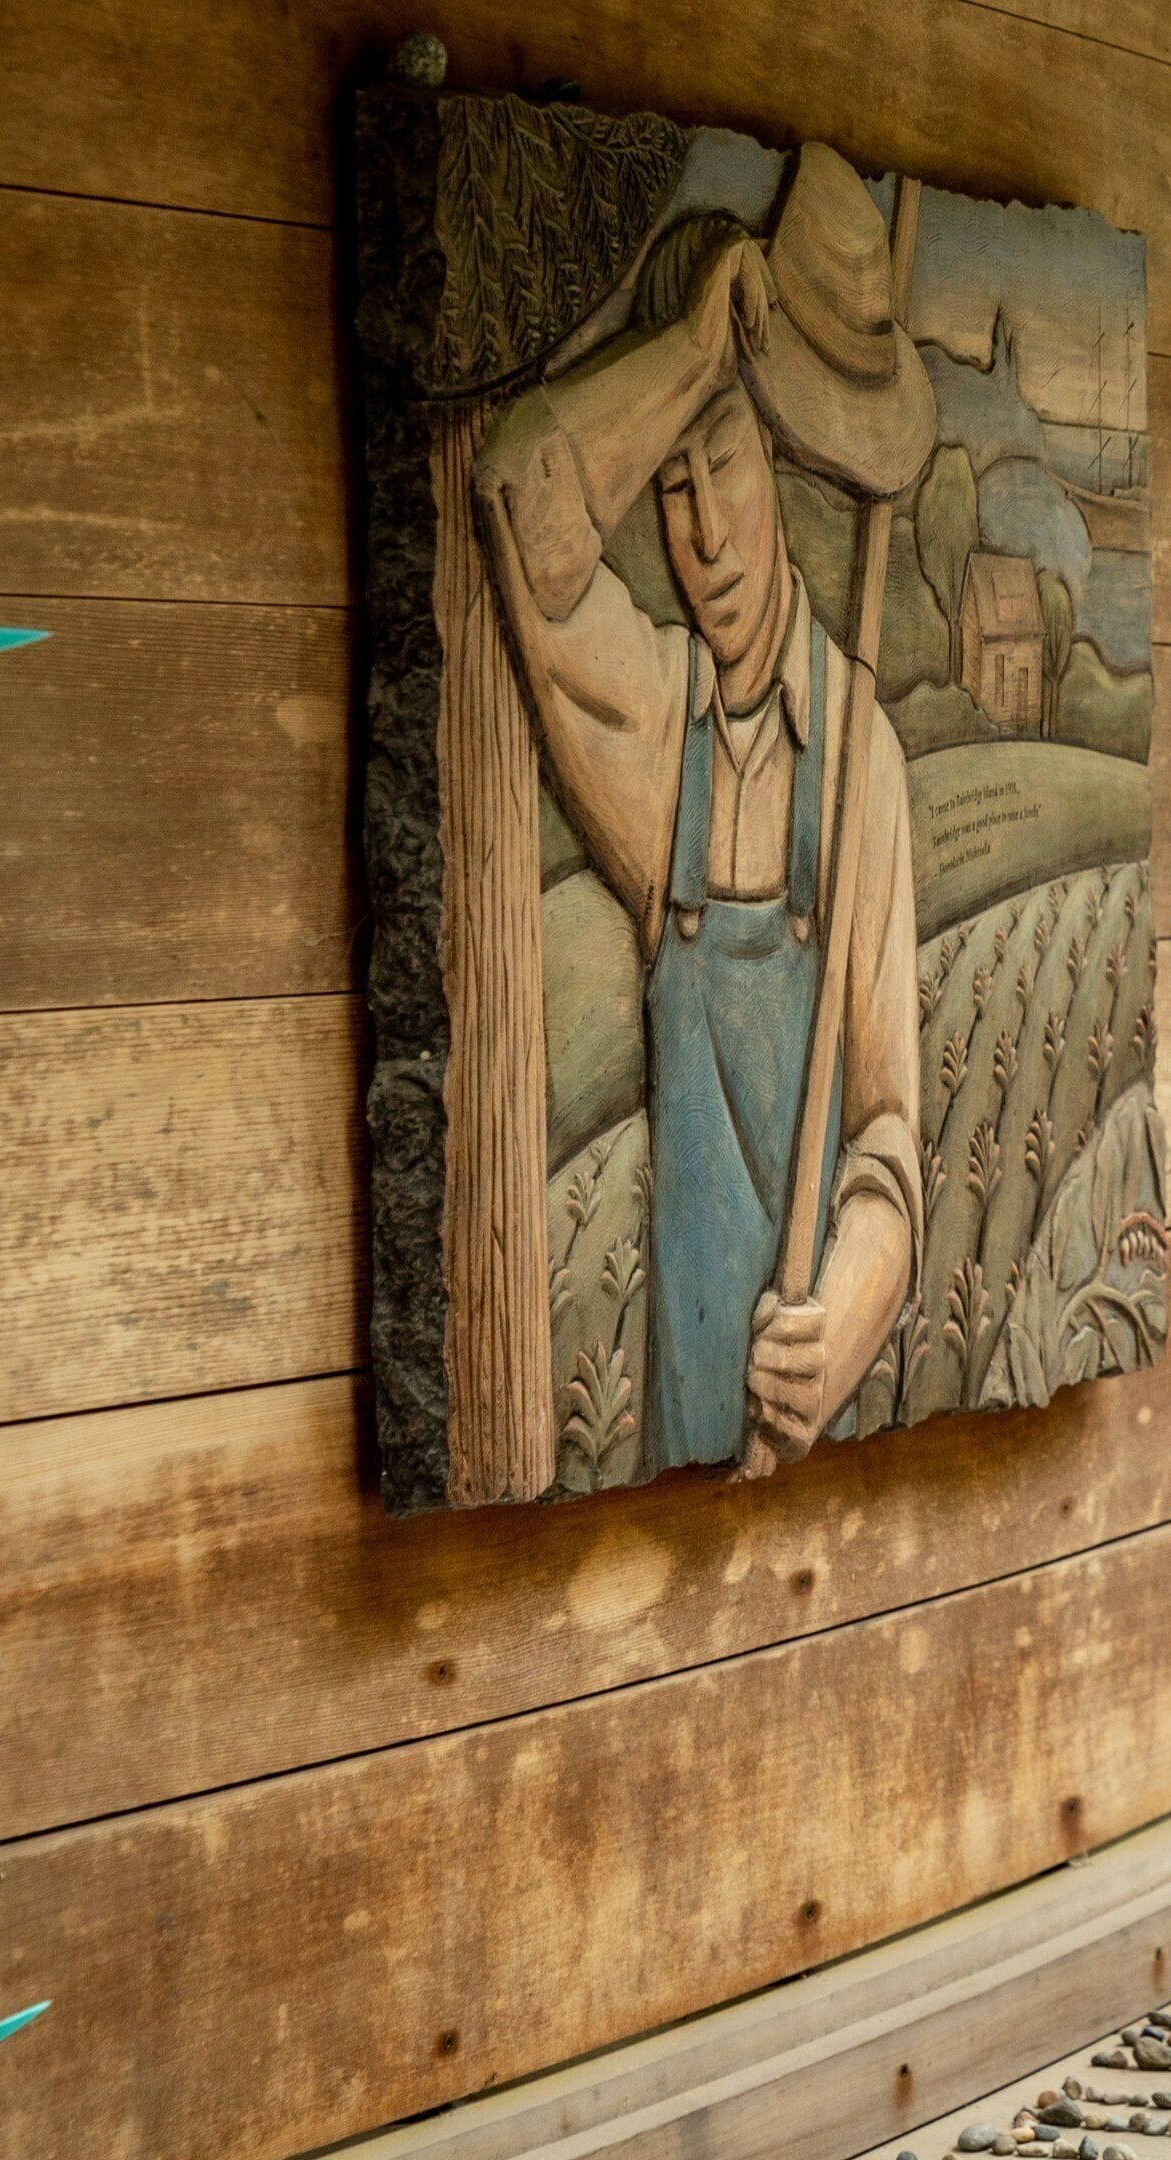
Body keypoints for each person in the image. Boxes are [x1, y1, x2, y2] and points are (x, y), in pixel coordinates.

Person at [472, 145, 927, 1477]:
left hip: (817, 1442)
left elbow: (891, 1123)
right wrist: (688, 358)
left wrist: (850, 1314)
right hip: (674, 1448)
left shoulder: (861, 759)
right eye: (670, 493)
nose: (707, 539)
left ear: (783, 473)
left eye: (723, 469)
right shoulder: (654, 731)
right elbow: (521, 494)